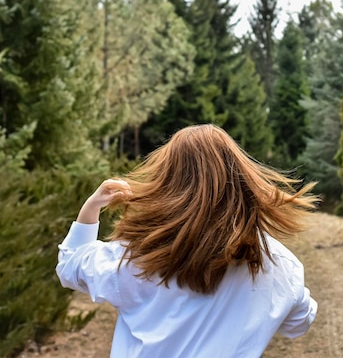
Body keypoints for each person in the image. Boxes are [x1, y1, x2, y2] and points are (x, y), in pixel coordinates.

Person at [56, 124, 319, 358]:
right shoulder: (278, 264)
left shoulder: (138, 257)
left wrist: (90, 209)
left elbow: (70, 267)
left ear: (167, 183)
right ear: (244, 182)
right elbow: (300, 321)